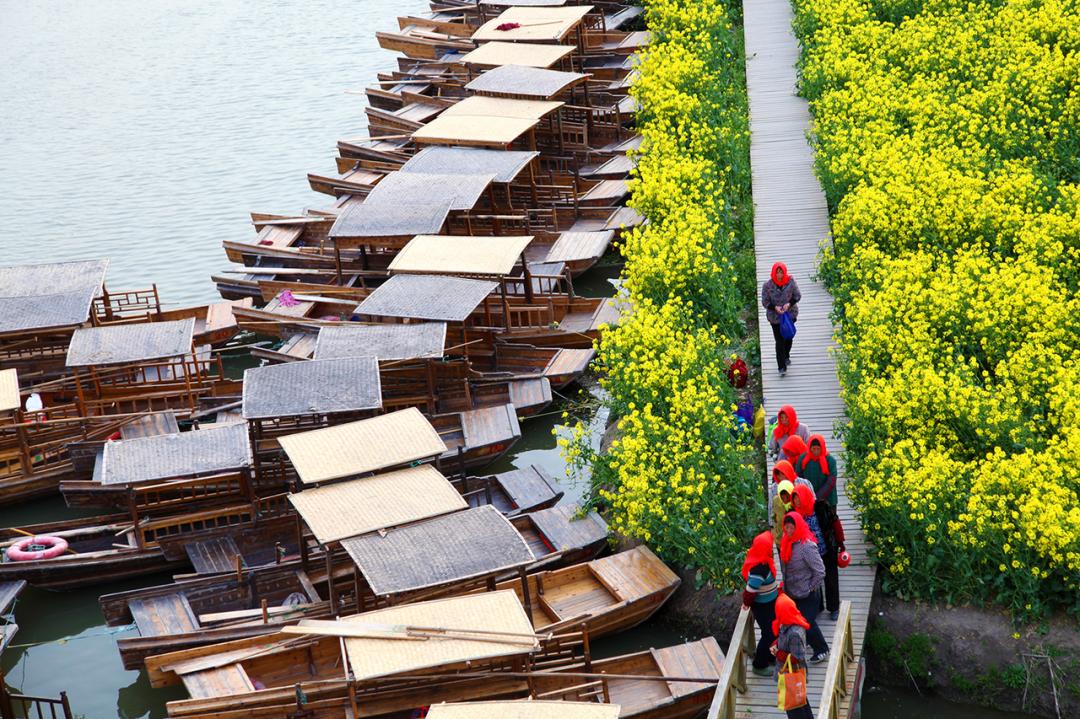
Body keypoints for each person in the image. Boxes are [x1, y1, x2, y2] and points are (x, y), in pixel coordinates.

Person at [780, 512, 830, 663]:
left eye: (791, 528)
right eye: (786, 527)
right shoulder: (786, 542)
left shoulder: (806, 546)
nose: (789, 531)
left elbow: (820, 571)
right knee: (797, 621)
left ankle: (822, 649)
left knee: (806, 622)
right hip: (792, 592)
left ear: (798, 526)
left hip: (807, 593)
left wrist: (810, 587)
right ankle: (808, 641)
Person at [741, 530, 780, 676]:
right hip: (763, 607)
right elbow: (750, 590)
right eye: (769, 547)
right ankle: (759, 664)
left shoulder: (763, 561)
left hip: (770, 603)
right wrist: (746, 603)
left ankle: (769, 656)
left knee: (773, 631)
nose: (771, 549)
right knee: (768, 634)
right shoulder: (759, 569)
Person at [772, 593, 815, 719]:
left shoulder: (794, 633)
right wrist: (776, 644)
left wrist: (778, 653)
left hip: (792, 674)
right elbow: (783, 638)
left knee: (793, 708)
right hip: (791, 675)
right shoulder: (789, 621)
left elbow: (798, 657)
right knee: (801, 701)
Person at [762, 262, 801, 376]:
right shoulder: (767, 286)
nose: (779, 275)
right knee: (779, 341)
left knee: (788, 337)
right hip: (775, 317)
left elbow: (797, 296)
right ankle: (781, 366)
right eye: (777, 272)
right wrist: (775, 308)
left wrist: (789, 304)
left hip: (789, 315)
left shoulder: (790, 282)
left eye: (781, 272)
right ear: (774, 273)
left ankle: (786, 355)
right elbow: (765, 302)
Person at [768, 462, 813, 542]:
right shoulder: (775, 488)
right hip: (785, 528)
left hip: (805, 522)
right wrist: (772, 528)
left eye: (783, 473)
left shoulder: (803, 483)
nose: (781, 477)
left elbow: (813, 500)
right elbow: (771, 508)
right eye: (778, 474)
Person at [796, 434, 838, 506]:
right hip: (808, 498)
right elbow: (799, 477)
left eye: (818, 449)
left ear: (822, 448)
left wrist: (817, 497)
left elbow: (831, 481)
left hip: (828, 499)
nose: (816, 452)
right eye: (813, 449)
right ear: (809, 448)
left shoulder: (830, 460)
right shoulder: (803, 459)